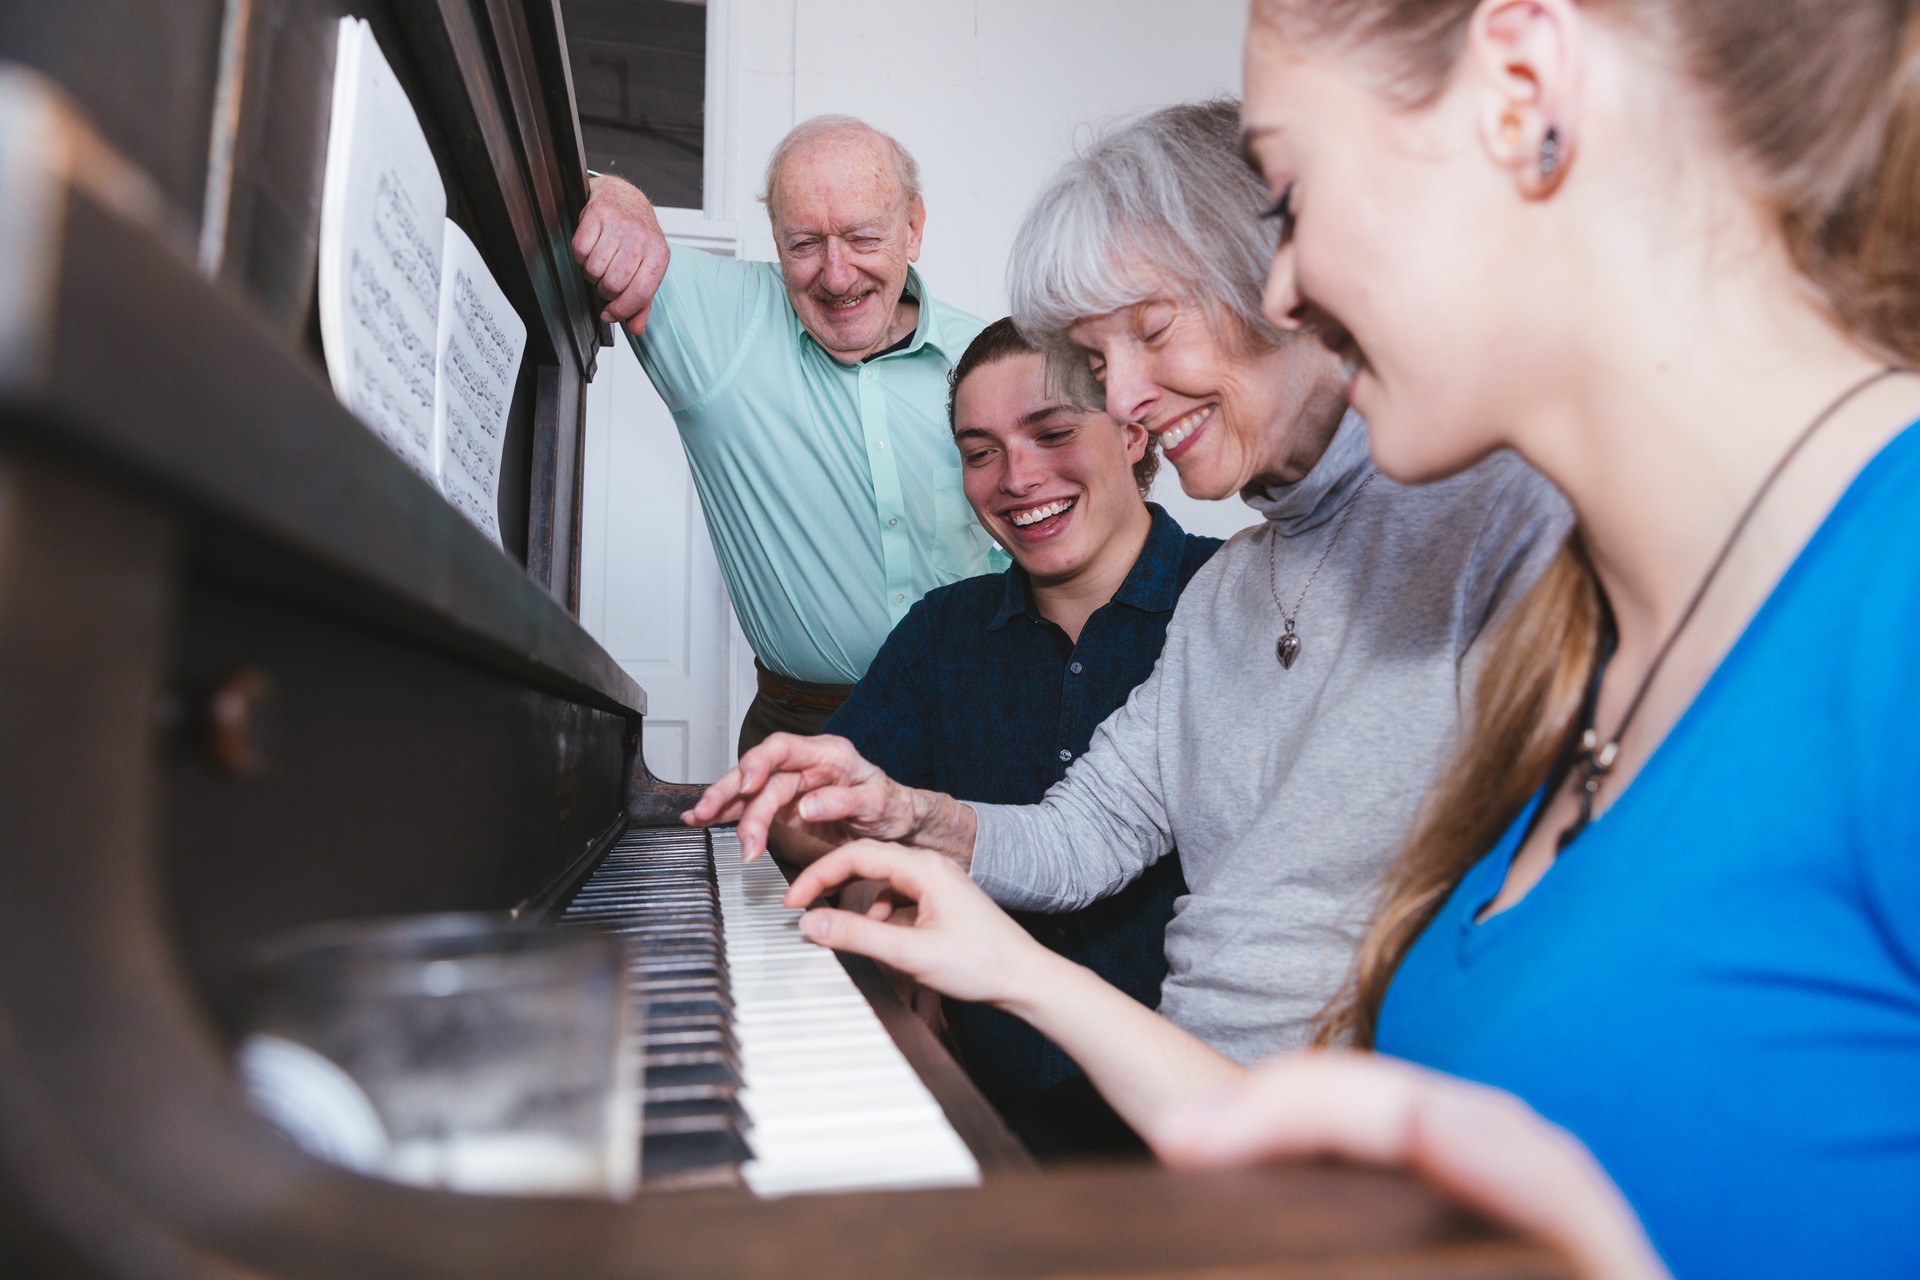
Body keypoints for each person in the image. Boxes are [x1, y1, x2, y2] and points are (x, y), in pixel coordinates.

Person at [734, 3, 1920, 1275]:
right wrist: (951, 871)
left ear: (1528, 96)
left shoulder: (1598, 544)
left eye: (1290, 201)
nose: (1287, 281)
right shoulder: (1262, 590)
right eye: (1093, 357)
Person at [687, 99, 1571, 1066]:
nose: (1125, 397)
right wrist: (908, 813)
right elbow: (1092, 830)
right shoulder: (1228, 593)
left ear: (1285, 279)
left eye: (1151, 333)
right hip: (1194, 1113)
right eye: (1102, 361)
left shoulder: (1510, 508)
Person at [823, 316, 1220, 1157]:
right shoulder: (944, 629)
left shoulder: (1230, 599)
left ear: (1133, 428)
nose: (1017, 477)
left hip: (1197, 1116)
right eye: (980, 452)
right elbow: (826, 805)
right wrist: (886, 916)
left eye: (1052, 432)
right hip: (982, 1106)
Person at [571, 117, 1000, 753]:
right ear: (774, 239)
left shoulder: (994, 360)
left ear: (912, 227)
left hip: (984, 721)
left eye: (861, 237)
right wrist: (617, 195)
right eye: (804, 244)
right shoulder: (726, 321)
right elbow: (550, 188)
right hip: (808, 735)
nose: (835, 274)